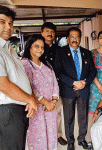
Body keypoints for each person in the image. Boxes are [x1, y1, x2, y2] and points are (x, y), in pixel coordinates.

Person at [0, 5, 38, 150]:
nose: (7, 27)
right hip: (7, 110)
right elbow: (3, 85)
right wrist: (29, 99)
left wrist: (30, 98)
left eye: (10, 23)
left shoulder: (8, 48)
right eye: (2, 22)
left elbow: (20, 77)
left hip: (17, 108)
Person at [55, 27, 97, 150]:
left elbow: (93, 71)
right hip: (68, 90)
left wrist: (84, 82)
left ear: (80, 38)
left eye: (77, 37)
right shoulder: (61, 52)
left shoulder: (87, 52)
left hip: (83, 90)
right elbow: (58, 72)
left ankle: (82, 139)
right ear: (68, 38)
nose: (75, 40)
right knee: (69, 117)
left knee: (83, 117)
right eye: (72, 37)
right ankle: (70, 142)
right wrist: (73, 82)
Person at [22, 34, 59, 150]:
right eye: (36, 46)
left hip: (50, 109)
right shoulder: (25, 64)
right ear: (29, 47)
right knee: (38, 139)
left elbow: (55, 83)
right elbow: (28, 87)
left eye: (42, 47)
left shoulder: (47, 65)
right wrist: (44, 102)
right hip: (36, 109)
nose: (40, 50)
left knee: (52, 137)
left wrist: (53, 101)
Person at [41, 22, 67, 145]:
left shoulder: (59, 50)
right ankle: (44, 134)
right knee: (41, 111)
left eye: (52, 31)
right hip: (41, 86)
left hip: (56, 86)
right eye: (47, 31)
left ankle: (58, 135)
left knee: (58, 111)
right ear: (42, 33)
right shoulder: (38, 46)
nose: (49, 34)